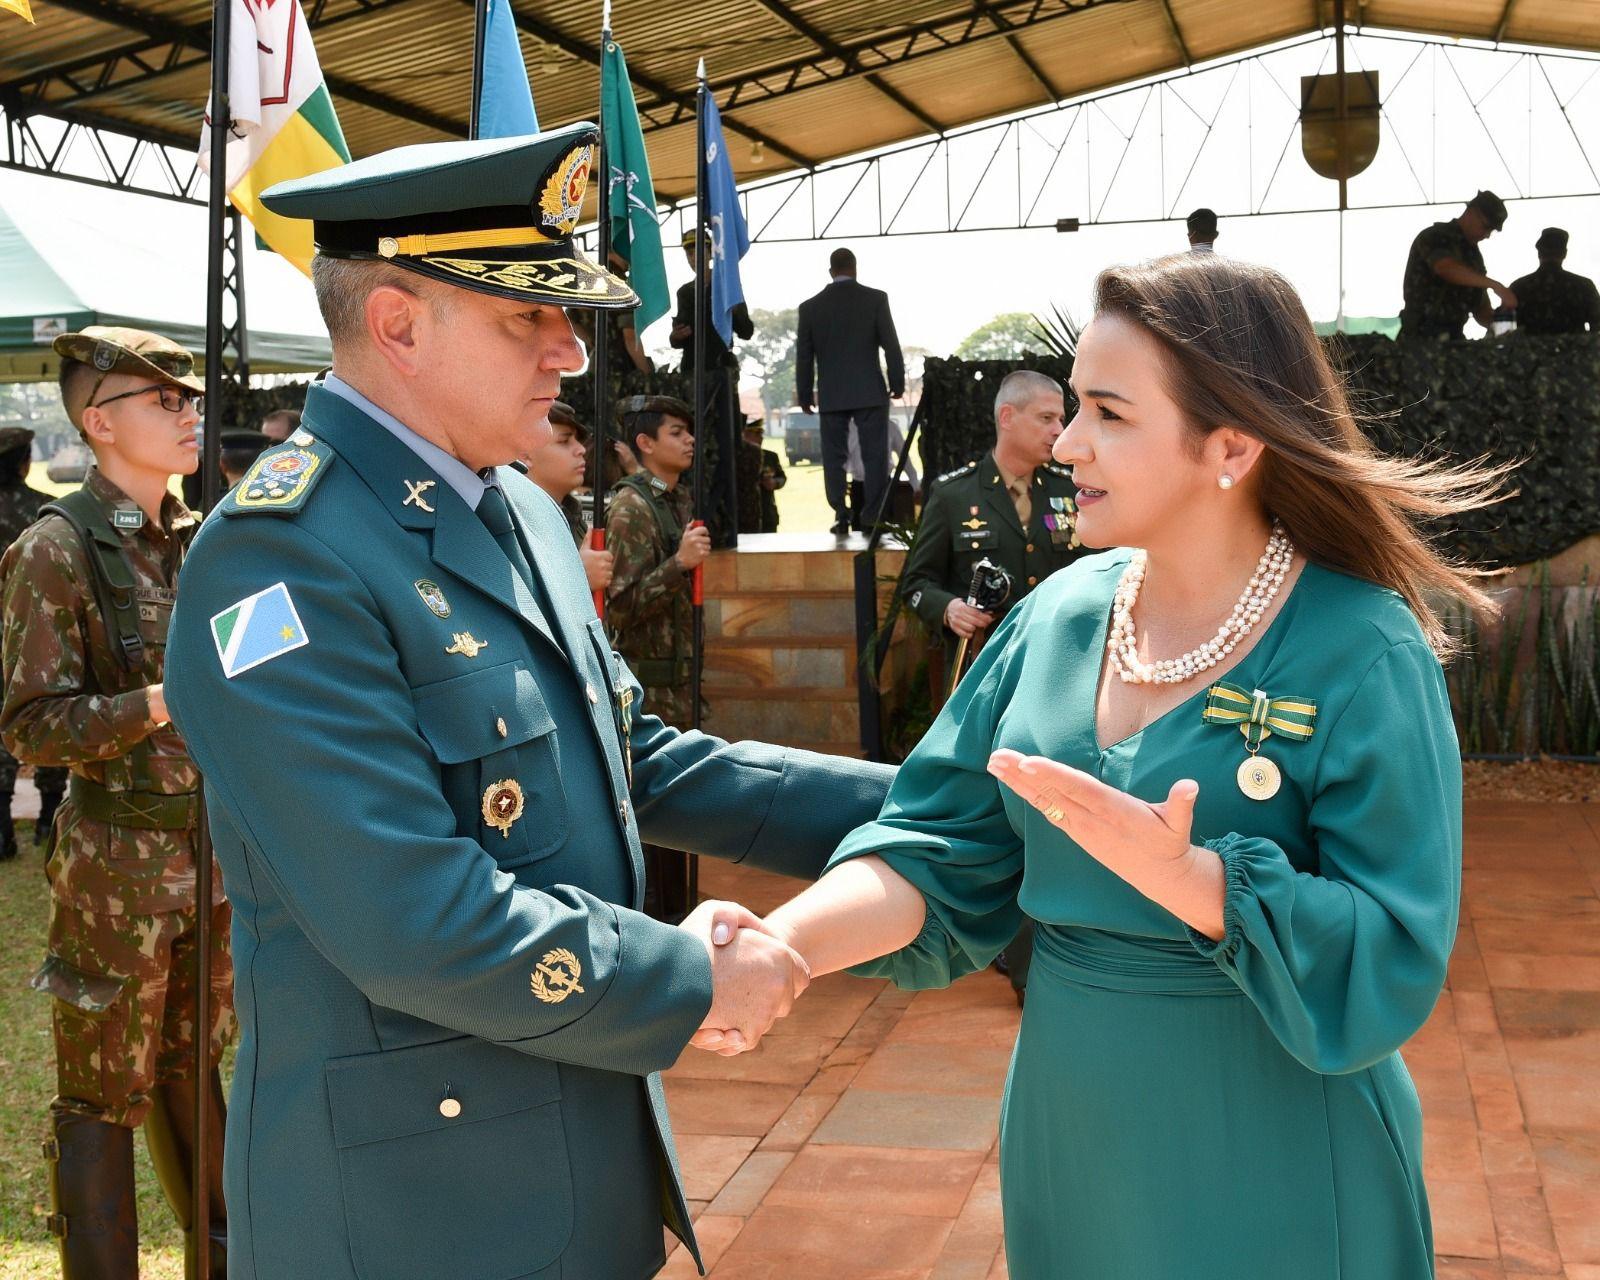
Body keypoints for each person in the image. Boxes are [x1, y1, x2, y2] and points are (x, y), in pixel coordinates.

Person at [162, 123, 894, 1280]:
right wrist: (694, 974)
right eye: (528, 317)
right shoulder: (280, 558)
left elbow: (636, 760)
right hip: (411, 1207)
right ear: (397, 323)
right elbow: (414, 919)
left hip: (569, 1153)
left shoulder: (516, 512)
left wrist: (925, 800)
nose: (568, 352)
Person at [703, 252, 1503, 1279]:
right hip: (1072, 1135)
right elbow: (932, 847)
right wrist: (785, 944)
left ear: (1229, 444)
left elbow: (1393, 947)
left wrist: (1195, 882)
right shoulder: (1057, 616)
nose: (1067, 441)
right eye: (1073, 407)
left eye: (1108, 414)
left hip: (1273, 1148)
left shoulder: (1362, 646)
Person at [1, 326, 233, 1277]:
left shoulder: (204, 542)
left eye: (188, 399)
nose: (189, 414)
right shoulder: (52, 550)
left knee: (199, 1082)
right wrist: (164, 698)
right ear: (99, 423)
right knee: (101, 1099)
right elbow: (31, 726)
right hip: (116, 879)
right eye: (163, 401)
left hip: (210, 862)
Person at [900, 369, 1084, 677]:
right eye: (1046, 418)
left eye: (1060, 419)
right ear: (1007, 417)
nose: (1059, 430)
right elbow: (917, 583)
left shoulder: (1070, 490)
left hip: (1059, 665)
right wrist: (949, 609)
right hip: (985, 671)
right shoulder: (953, 495)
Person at [797, 246, 905, 535]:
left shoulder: (810, 308)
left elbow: (804, 356)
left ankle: (841, 514)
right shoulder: (875, 299)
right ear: (855, 268)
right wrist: (897, 382)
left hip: (832, 395)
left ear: (831, 271)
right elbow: (891, 345)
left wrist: (805, 394)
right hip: (870, 391)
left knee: (833, 457)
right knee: (875, 456)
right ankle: (871, 516)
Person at [0, 424, 67, 860]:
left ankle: (2, 830)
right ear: (26, 461)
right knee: (47, 714)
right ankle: (46, 818)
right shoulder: (49, 512)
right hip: (39, 633)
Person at [671, 229, 750, 545]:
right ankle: (700, 520)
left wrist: (730, 309)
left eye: (698, 252)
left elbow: (746, 331)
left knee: (725, 451)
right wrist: (677, 336)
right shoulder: (685, 292)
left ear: (711, 253)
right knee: (698, 454)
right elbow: (676, 337)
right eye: (689, 254)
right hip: (694, 379)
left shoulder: (727, 286)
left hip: (720, 376)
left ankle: (725, 526)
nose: (694, 259)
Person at [523, 400, 614, 595]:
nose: (581, 449)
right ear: (526, 454)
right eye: (564, 441)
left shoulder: (570, 516)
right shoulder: (509, 518)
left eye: (577, 440)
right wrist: (575, 574)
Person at [1399, 189, 1516, 339]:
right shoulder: (1435, 236)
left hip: (1453, 338)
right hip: (1418, 336)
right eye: (1486, 227)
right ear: (1472, 213)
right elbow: (1445, 268)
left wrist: (1501, 321)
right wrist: (1496, 286)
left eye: (1491, 231)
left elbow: (1480, 308)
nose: (1486, 235)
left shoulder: (1474, 256)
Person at [1508, 227, 1600, 335]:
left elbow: (1504, 330)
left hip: (1528, 351)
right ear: (1564, 254)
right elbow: (1597, 326)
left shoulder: (1518, 287)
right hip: (1574, 350)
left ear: (1539, 253)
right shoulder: (1584, 286)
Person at [744, 419, 786, 533]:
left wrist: (774, 483)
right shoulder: (738, 457)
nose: (761, 438)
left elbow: (782, 477)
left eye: (761, 434)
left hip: (768, 513)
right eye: (756, 434)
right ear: (745, 435)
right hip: (745, 514)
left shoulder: (770, 456)